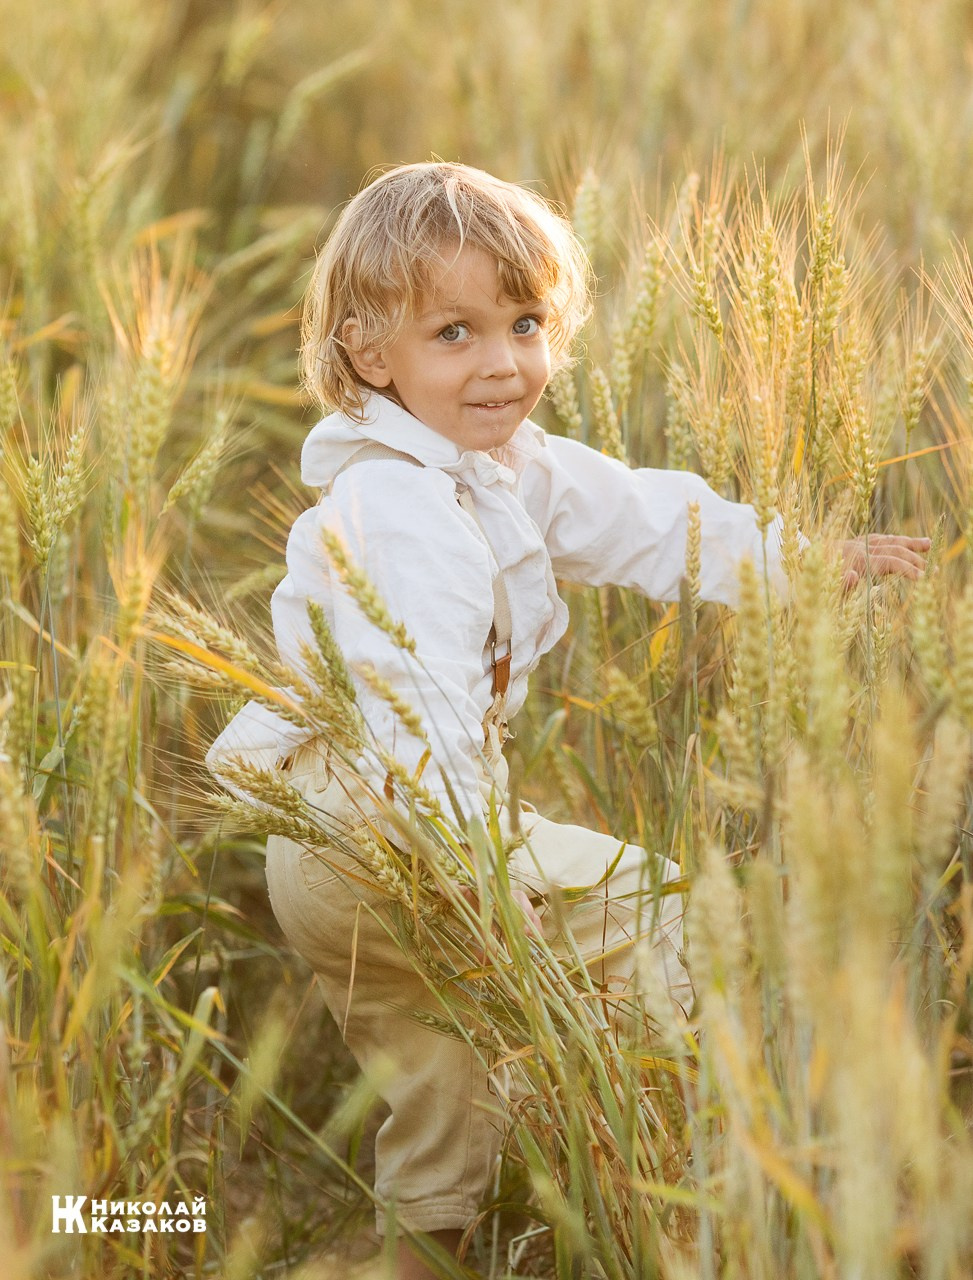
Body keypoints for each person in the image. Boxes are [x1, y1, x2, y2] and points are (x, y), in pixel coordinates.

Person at [207, 162, 929, 1279]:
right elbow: (423, 712)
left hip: (327, 852)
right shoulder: (398, 512)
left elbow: (650, 519)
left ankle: (433, 1250)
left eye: (525, 321)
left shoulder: (496, 467)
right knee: (680, 927)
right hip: (399, 823)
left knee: (438, 1107)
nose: (501, 361)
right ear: (367, 352)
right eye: (453, 331)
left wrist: (797, 558)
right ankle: (679, 1205)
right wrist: (471, 872)